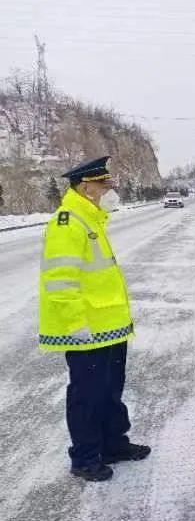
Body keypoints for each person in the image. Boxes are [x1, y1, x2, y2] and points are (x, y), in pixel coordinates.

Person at [39, 156, 150, 482]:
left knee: (110, 390)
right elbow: (60, 282)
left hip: (108, 327)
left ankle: (113, 444)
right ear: (86, 187)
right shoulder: (68, 222)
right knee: (87, 395)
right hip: (86, 329)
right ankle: (85, 458)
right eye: (104, 185)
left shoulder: (92, 219)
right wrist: (76, 324)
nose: (110, 190)